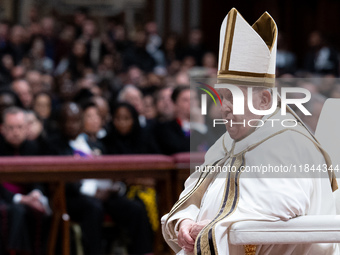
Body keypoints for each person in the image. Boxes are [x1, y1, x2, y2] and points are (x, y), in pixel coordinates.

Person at [162, 8, 338, 255]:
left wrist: (214, 227)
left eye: (233, 97)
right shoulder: (225, 143)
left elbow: (283, 204)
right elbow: (196, 192)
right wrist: (185, 221)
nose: (225, 108)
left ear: (265, 100)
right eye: (222, 97)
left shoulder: (289, 142)